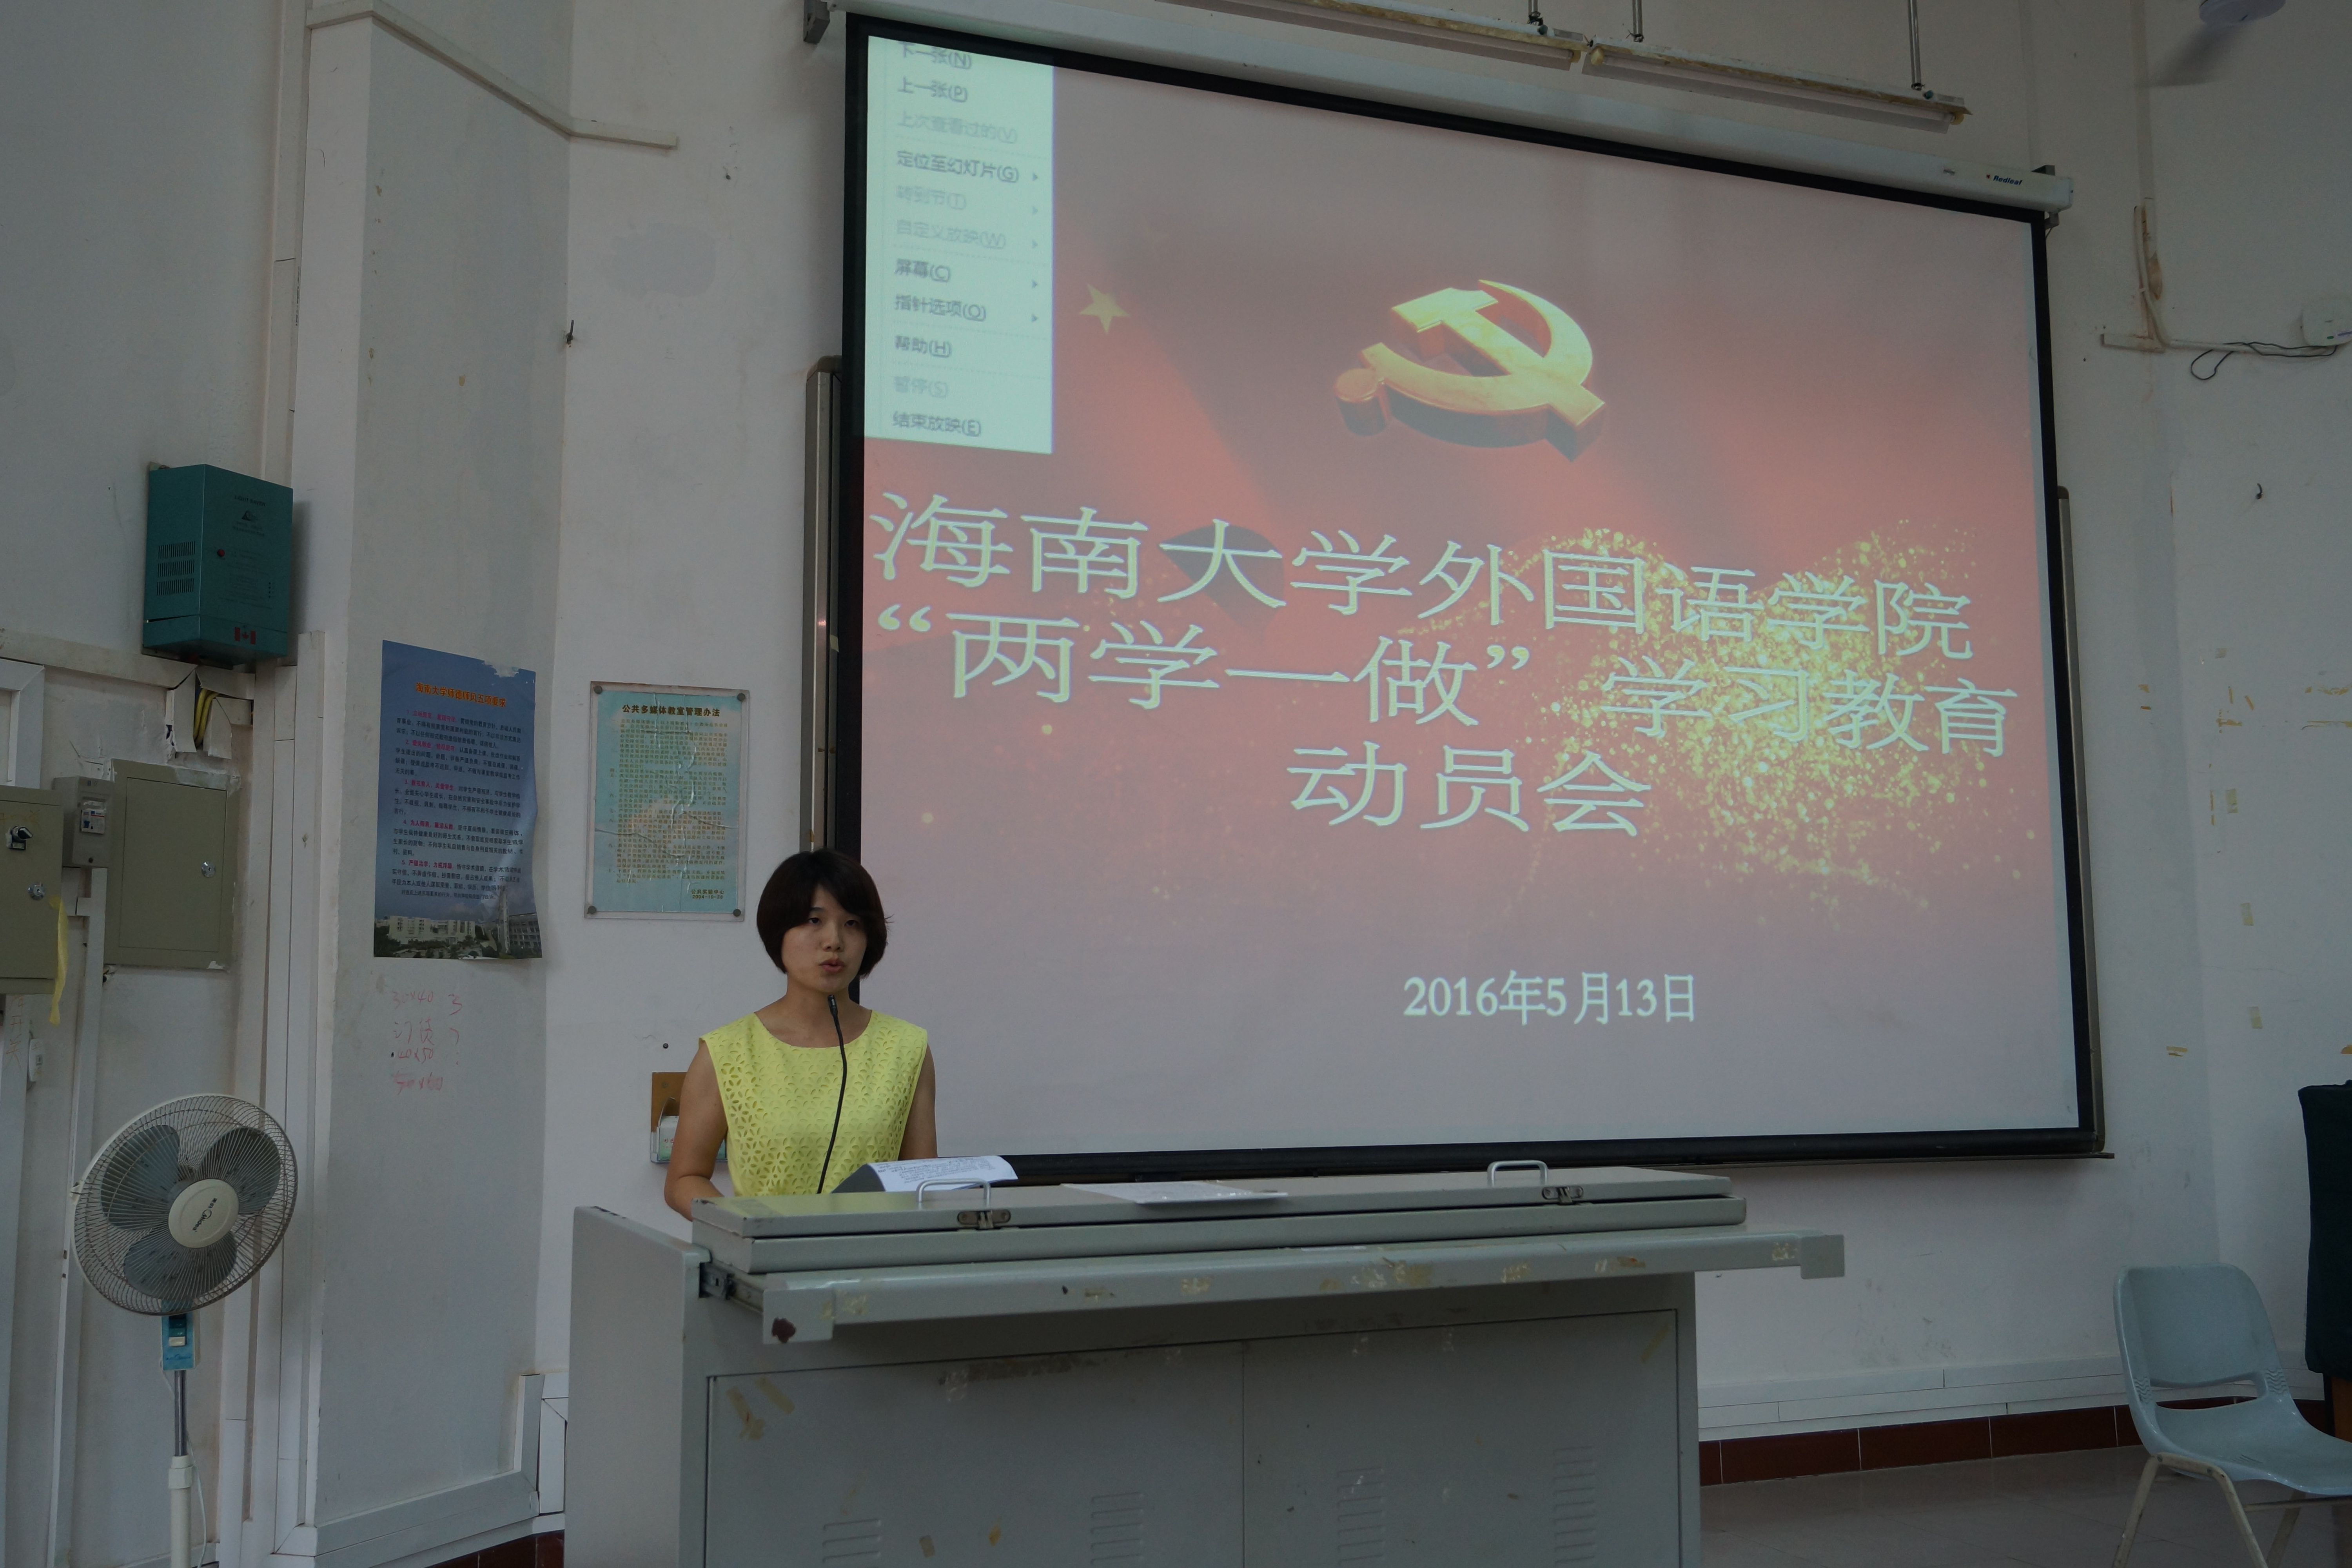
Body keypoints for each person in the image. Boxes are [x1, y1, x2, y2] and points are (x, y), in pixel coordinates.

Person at [663, 849, 936, 1216]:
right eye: (813, 920)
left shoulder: (907, 1048)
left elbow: (921, 1184)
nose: (834, 940)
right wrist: (747, 1227)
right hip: (767, 1249)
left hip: (873, 1249)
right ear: (780, 930)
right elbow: (684, 1179)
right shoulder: (726, 1051)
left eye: (852, 923)